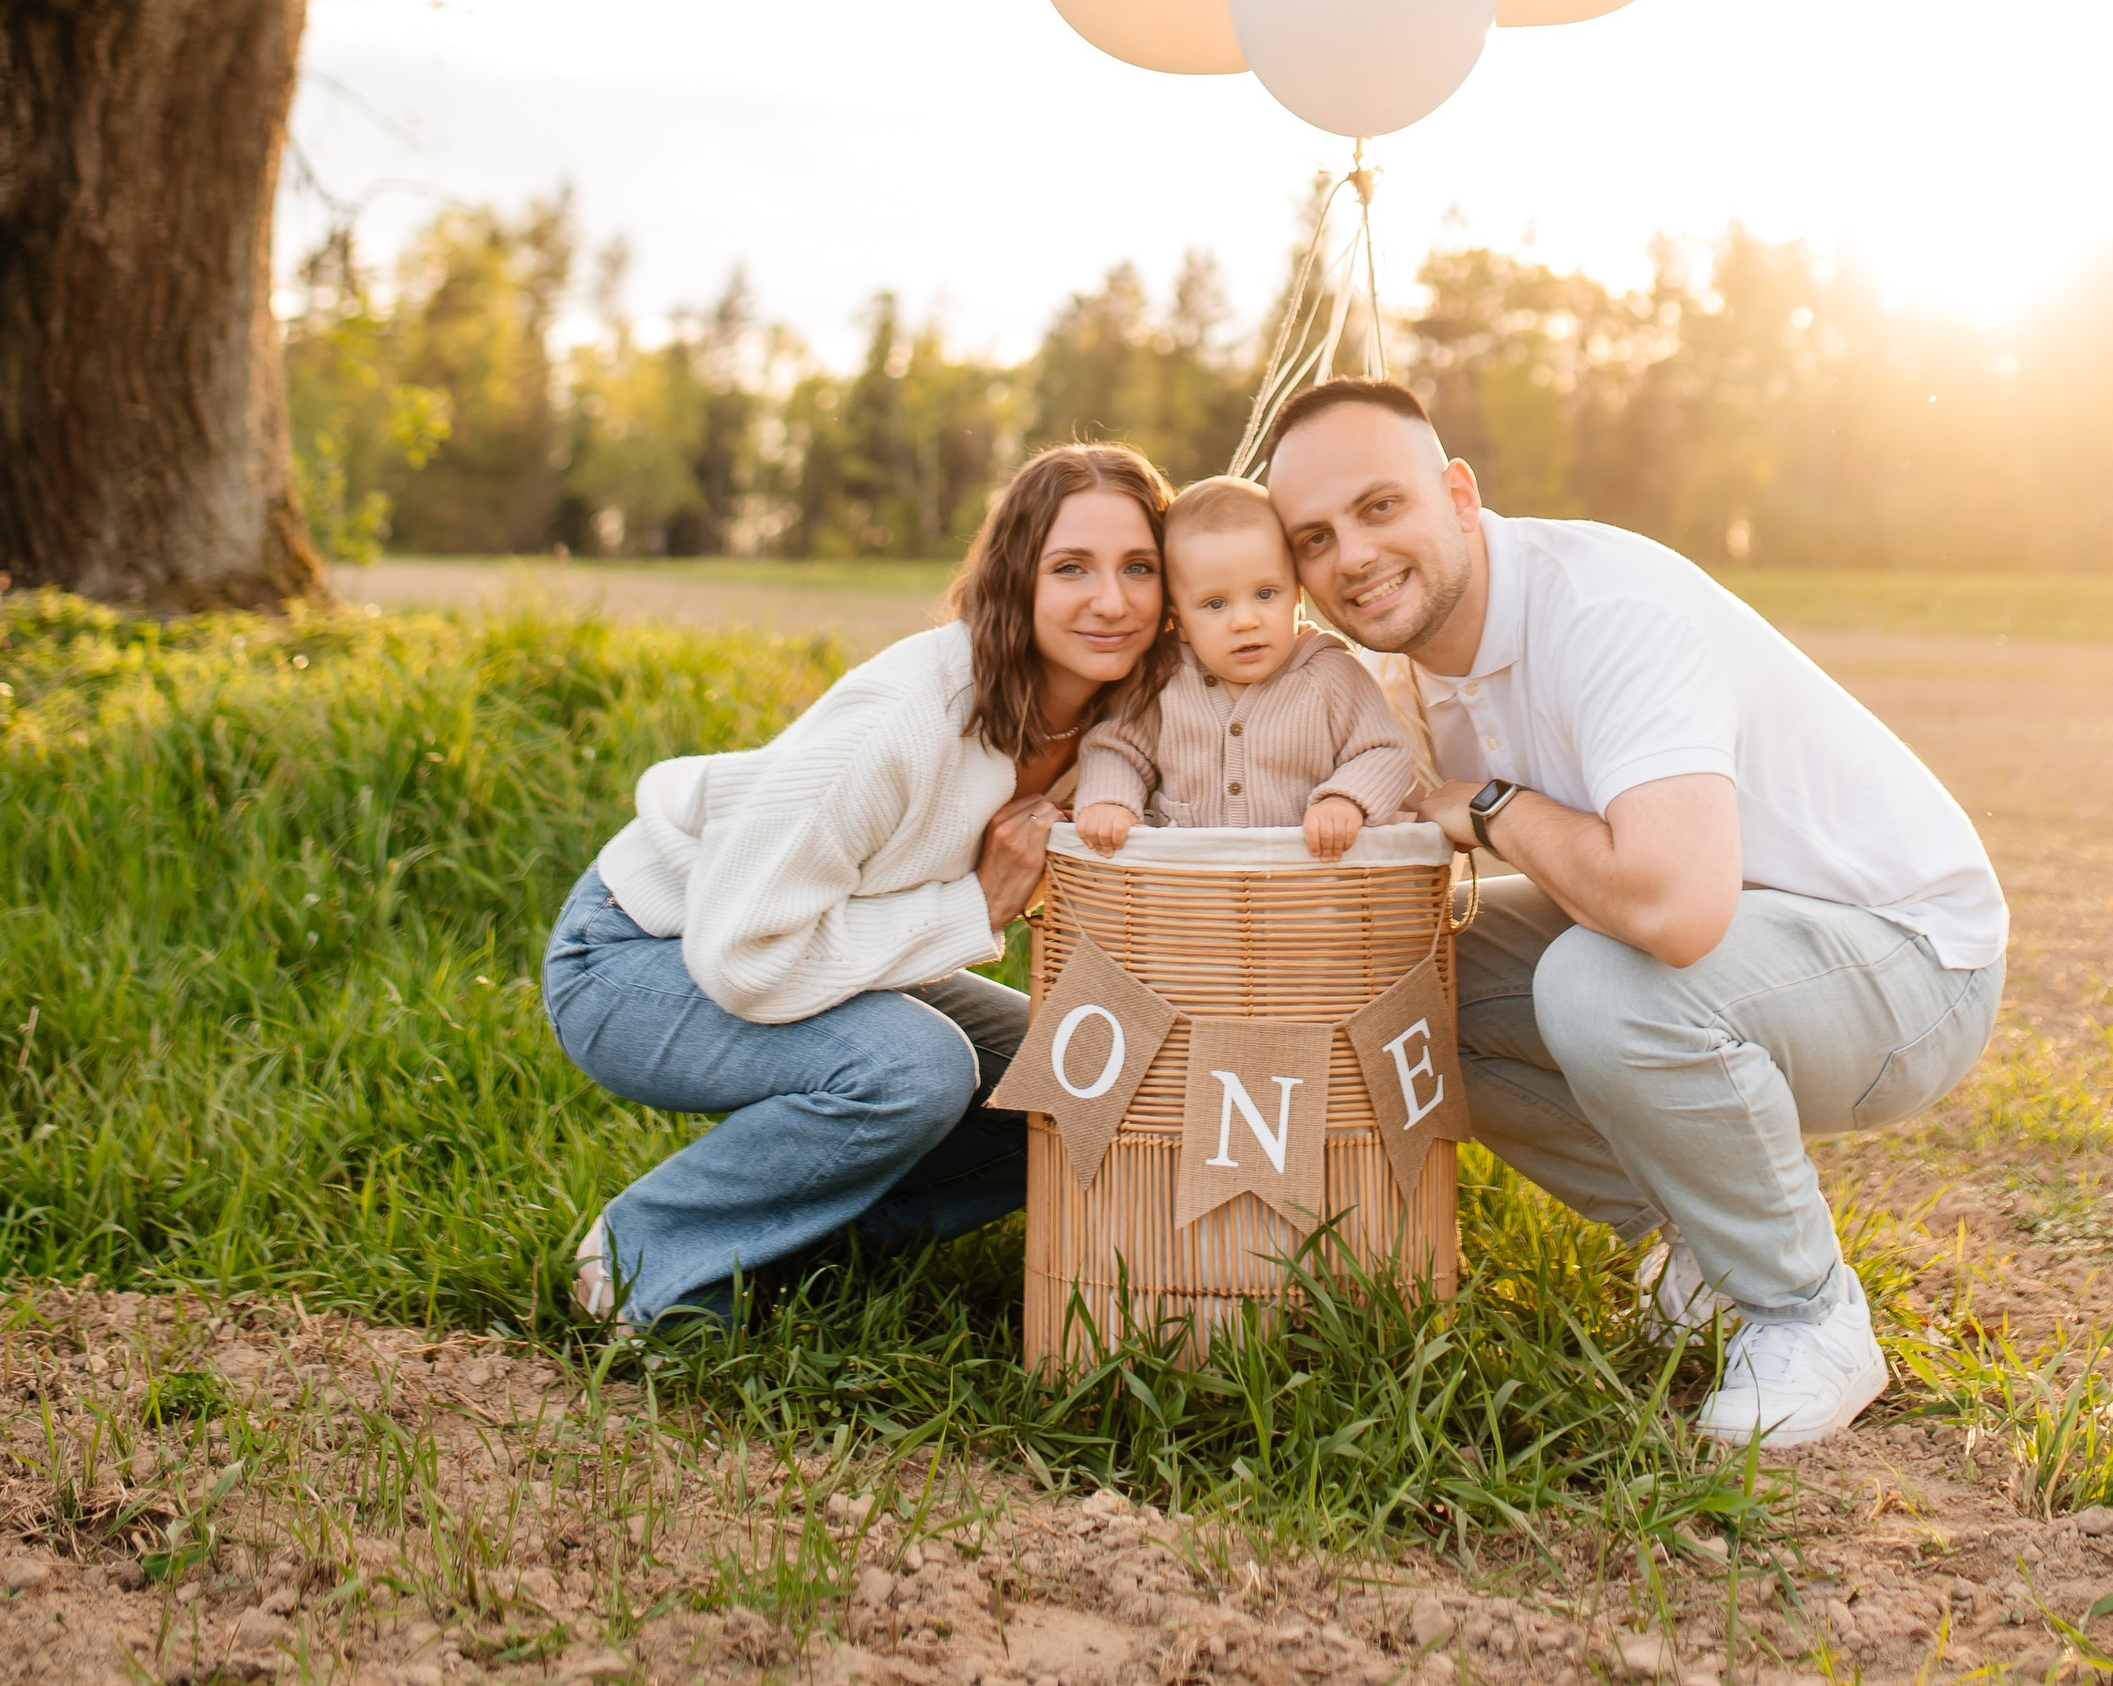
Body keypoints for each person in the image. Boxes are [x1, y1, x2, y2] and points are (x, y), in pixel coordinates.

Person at [1263, 380, 2007, 1448]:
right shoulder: (1402, 667)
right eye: (1315, 537)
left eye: (1382, 507)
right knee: (1395, 982)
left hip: (1911, 963)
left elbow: (1672, 905)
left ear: (1458, 494)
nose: (1353, 555)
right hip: (1749, 938)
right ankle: (1710, 1238)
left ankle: (1806, 1311)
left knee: (1600, 983)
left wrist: (1489, 807)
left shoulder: (1603, 605)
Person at [541, 442, 1173, 1331]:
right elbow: (745, 957)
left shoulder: (1120, 717)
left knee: (1076, 1085)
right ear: (1014, 579)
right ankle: (640, 1258)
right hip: (642, 954)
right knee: (915, 1067)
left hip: (800, 943)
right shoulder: (908, 720)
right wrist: (981, 905)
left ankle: (789, 1256)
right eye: (1071, 567)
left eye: (1139, 567)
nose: (1112, 601)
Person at [1074, 475, 1419, 860]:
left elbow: (1383, 750)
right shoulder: (1164, 678)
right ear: (1181, 622)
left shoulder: (1329, 673)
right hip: (1185, 890)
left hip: (1304, 885)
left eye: (1266, 594)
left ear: (1298, 601)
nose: (1244, 621)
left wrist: (1344, 800)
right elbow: (1118, 748)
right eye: (1216, 604)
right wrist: (1111, 801)